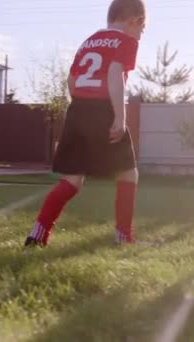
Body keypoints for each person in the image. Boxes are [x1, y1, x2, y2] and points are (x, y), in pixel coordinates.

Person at [24, 0, 146, 247]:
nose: (141, 34)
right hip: (104, 109)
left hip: (78, 108)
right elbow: (114, 74)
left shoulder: (89, 41)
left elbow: (71, 80)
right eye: (142, 29)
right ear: (136, 20)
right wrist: (119, 118)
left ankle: (37, 235)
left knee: (72, 180)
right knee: (128, 174)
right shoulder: (126, 41)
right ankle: (124, 238)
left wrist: (81, 110)